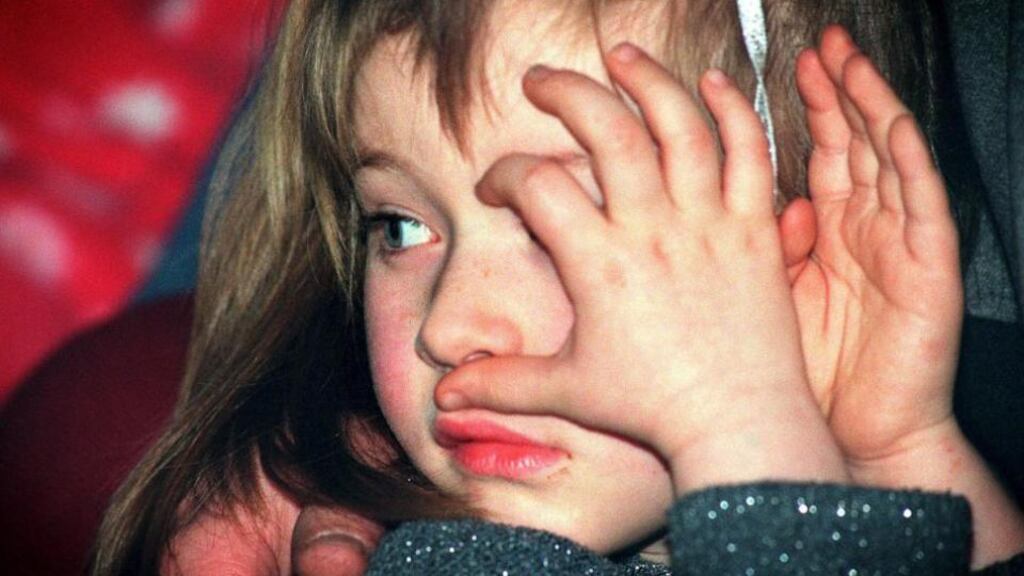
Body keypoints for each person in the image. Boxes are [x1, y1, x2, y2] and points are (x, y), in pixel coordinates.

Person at [90, 1, 1024, 574]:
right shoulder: (468, 565)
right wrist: (736, 417)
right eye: (400, 227)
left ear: (806, 244)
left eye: (564, 219)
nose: (452, 326)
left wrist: (901, 444)